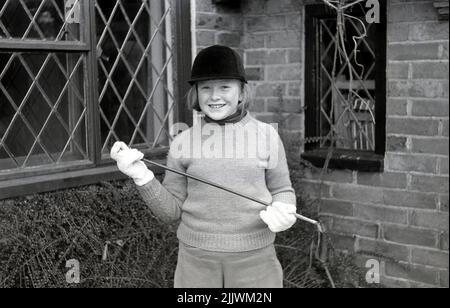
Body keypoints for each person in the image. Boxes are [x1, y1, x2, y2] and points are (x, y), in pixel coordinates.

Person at [110, 45, 297, 288]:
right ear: (196, 94)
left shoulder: (267, 136)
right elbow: (171, 212)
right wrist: (141, 176)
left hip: (256, 260)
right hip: (196, 261)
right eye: (205, 87)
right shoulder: (182, 141)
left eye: (224, 87)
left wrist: (285, 210)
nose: (214, 96)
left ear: (241, 92)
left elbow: (282, 188)